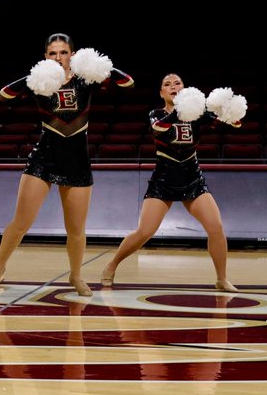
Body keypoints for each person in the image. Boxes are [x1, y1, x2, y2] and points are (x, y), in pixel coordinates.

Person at [0, 32, 134, 297]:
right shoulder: (40, 82)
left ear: (72, 55)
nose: (58, 57)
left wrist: (96, 65)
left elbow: (128, 83)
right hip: (44, 158)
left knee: (75, 229)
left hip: (77, 160)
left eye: (63, 52)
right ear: (45, 57)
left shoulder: (86, 80)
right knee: (21, 221)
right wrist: (33, 76)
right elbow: (4, 95)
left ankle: (76, 275)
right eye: (52, 53)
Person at [100, 73, 242, 291]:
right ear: (161, 93)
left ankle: (221, 279)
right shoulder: (156, 114)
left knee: (216, 227)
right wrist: (183, 108)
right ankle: (112, 265)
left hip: (192, 178)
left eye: (177, 83)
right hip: (163, 180)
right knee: (144, 232)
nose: (173, 86)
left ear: (185, 88)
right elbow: (159, 128)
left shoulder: (198, 115)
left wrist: (229, 111)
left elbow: (235, 124)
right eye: (167, 84)